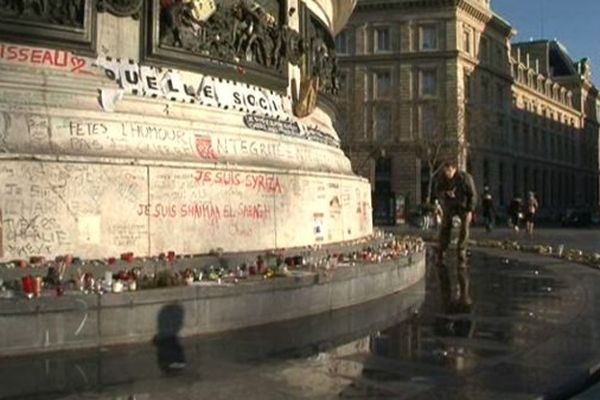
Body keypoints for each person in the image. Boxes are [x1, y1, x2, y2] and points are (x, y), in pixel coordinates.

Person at [435, 161, 477, 308]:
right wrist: (444, 196)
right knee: (445, 226)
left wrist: (470, 209)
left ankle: (461, 252)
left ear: (454, 169)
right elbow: (438, 191)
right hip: (450, 205)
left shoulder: (465, 178)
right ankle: (441, 250)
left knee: (464, 228)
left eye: (449, 171)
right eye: (445, 171)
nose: (447, 174)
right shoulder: (442, 179)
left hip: (464, 205)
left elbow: (472, 193)